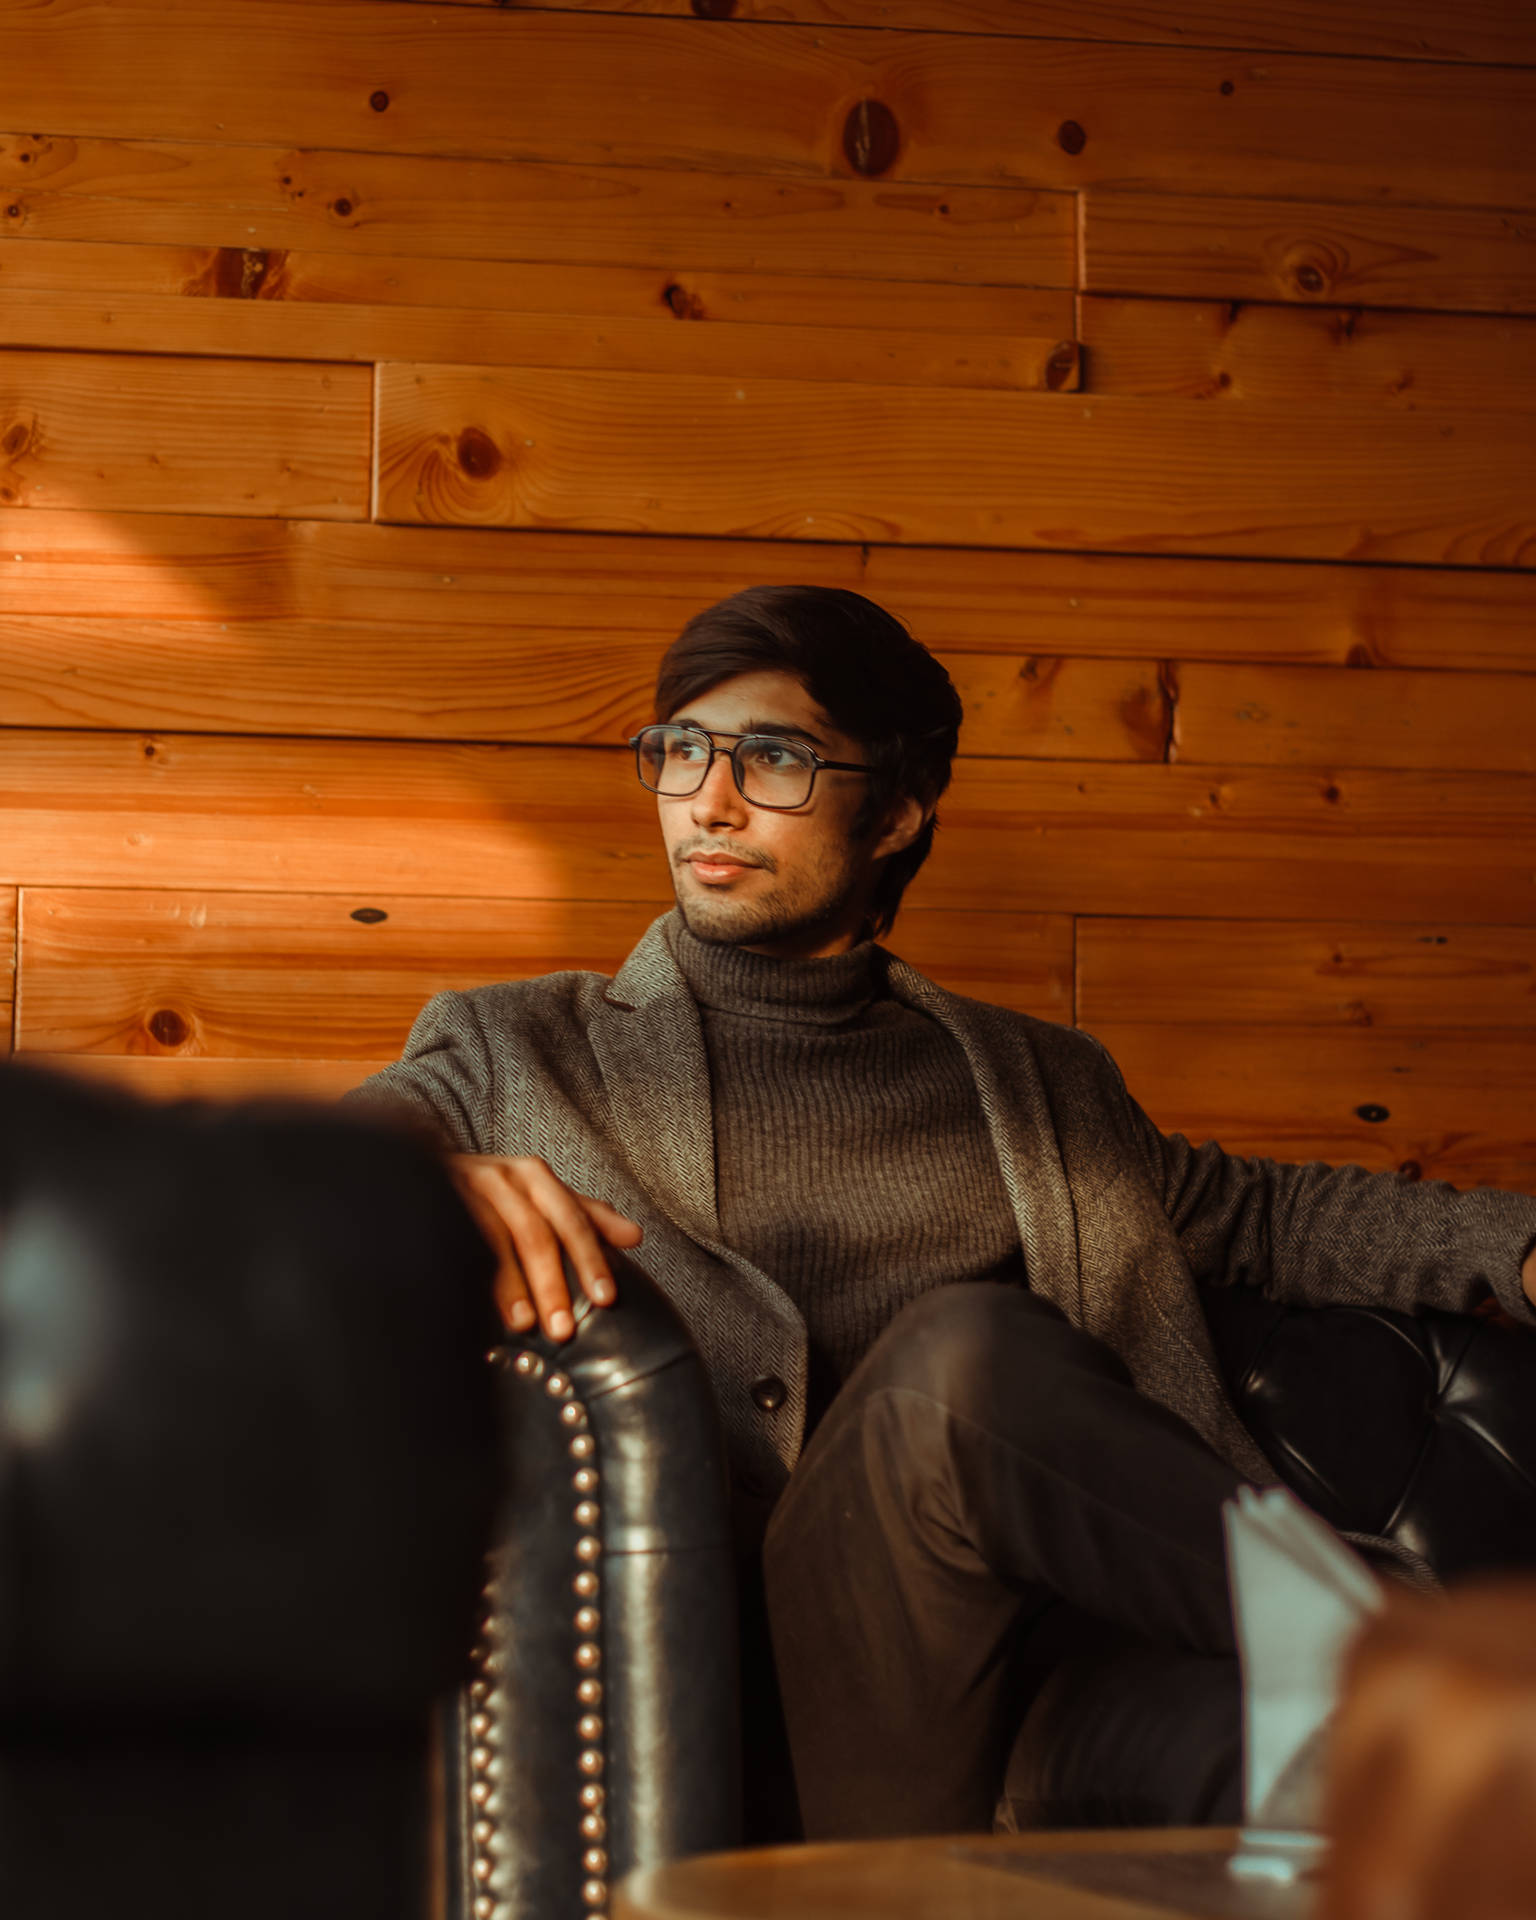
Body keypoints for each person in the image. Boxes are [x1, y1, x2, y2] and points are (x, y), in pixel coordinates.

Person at [349, 585, 1536, 1839]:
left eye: (774, 758)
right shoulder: (515, 1049)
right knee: (959, 1362)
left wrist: (1520, 1249)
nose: (709, 797)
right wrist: (418, 1180)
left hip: (1052, 1685)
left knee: (1375, 1769)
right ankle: (1409, 1646)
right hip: (731, 1713)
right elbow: (302, 1179)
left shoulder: (1040, 1085)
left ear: (899, 814)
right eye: (681, 751)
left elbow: (1268, 1214)